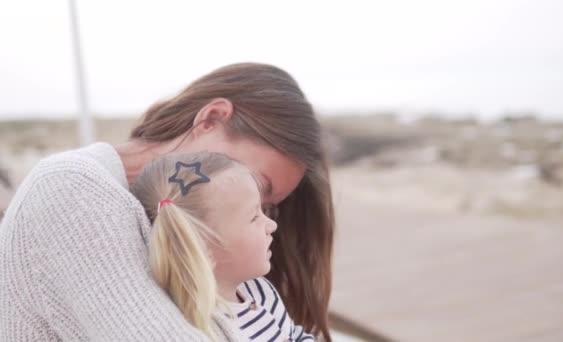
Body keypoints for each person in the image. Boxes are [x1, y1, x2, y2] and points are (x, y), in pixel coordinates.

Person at [0, 63, 334, 341]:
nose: (255, 210)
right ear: (212, 118)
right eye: (257, 183)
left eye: (265, 206)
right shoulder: (70, 188)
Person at [130, 151, 314, 341]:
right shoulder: (203, 329)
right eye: (254, 217)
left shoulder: (257, 289)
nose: (272, 225)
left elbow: (295, 336)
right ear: (202, 248)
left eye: (263, 210)